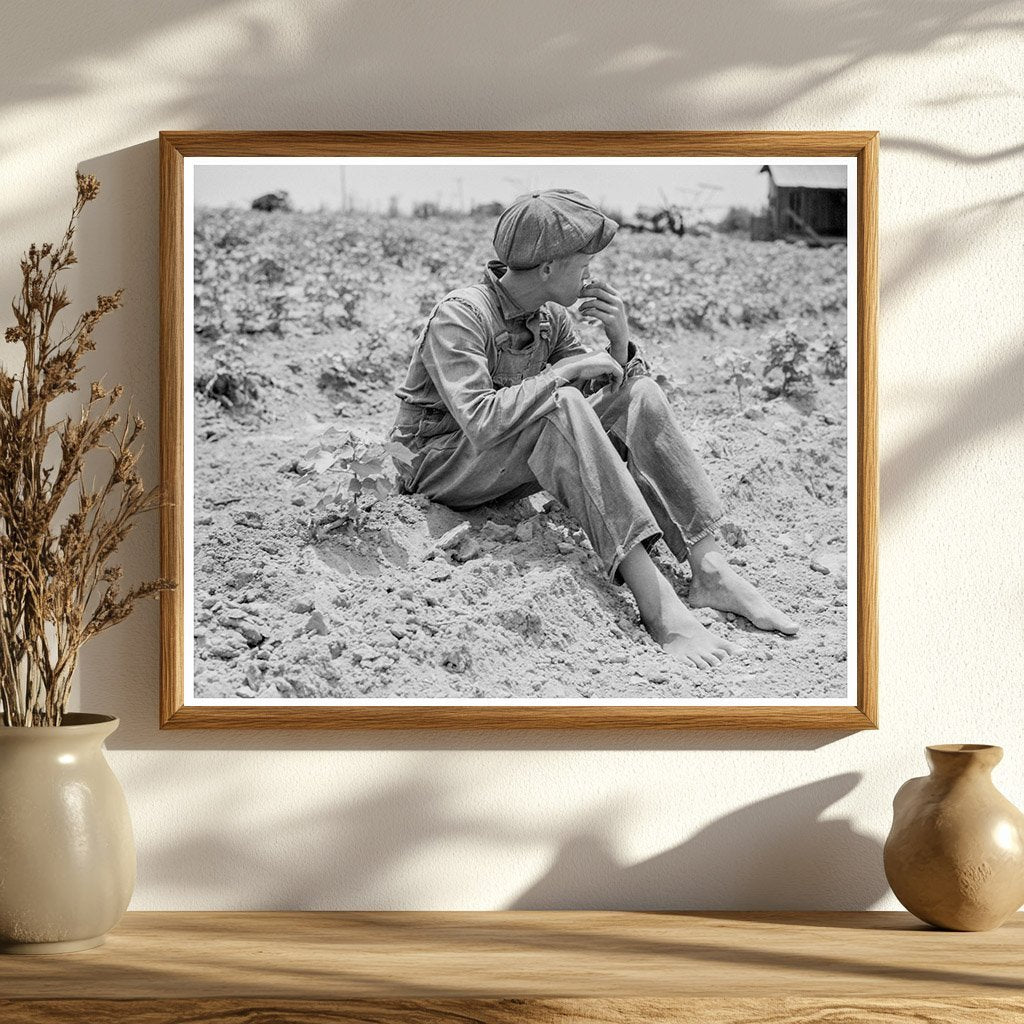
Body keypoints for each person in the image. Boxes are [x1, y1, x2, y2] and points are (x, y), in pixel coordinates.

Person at [389, 189, 796, 670]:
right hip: (438, 467)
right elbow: (481, 420)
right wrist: (562, 374)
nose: (591, 273)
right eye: (584, 262)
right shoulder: (461, 314)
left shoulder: (549, 319)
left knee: (638, 394)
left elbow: (600, 398)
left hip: (498, 462)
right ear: (547, 268)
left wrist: (620, 342)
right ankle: (657, 604)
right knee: (559, 403)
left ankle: (710, 570)